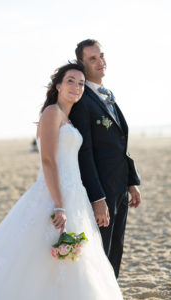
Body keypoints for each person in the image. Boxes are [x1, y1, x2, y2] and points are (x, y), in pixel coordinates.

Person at [0, 63, 123, 300]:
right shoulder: (52, 112)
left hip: (75, 194)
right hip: (55, 195)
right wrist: (59, 204)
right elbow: (49, 161)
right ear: (58, 85)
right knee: (41, 253)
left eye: (81, 83)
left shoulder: (68, 118)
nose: (76, 86)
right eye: (70, 81)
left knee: (74, 256)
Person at [69, 39, 141, 278]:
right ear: (82, 63)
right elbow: (85, 152)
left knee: (116, 248)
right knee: (102, 251)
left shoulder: (106, 95)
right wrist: (97, 197)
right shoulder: (83, 101)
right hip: (101, 190)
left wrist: (131, 181)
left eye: (101, 56)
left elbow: (120, 142)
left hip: (120, 187)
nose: (100, 62)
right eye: (93, 58)